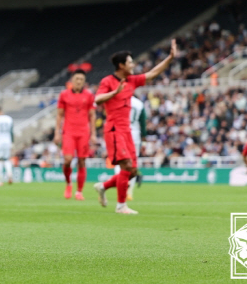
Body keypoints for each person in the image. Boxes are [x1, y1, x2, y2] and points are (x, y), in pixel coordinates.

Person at [93, 41, 177, 215]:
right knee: (126, 166)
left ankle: (103, 186)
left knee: (132, 171)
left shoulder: (131, 80)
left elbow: (153, 73)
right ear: (121, 65)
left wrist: (170, 58)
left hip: (127, 131)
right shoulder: (108, 81)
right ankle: (121, 206)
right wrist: (114, 93)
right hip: (114, 129)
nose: (133, 65)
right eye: (130, 62)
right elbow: (98, 99)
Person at [55, 70, 95, 200]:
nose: (79, 81)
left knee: (82, 161)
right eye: (77, 79)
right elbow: (59, 115)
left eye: (81, 79)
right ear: (72, 80)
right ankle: (68, 183)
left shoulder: (89, 96)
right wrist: (57, 133)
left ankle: (79, 191)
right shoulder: (64, 95)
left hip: (83, 132)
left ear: (84, 82)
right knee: (67, 160)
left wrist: (93, 134)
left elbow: (92, 115)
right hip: (69, 132)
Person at [116, 95, 146, 200]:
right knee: (133, 163)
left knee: (120, 163)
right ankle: (129, 191)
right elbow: (143, 124)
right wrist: (144, 141)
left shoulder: (118, 99)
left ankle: (121, 188)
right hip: (135, 135)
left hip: (120, 134)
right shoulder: (139, 103)